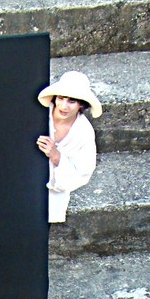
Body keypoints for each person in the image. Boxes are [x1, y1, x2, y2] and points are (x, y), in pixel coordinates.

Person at [35, 71, 101, 223]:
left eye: (71, 101)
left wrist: (56, 156)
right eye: (61, 98)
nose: (64, 106)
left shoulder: (83, 132)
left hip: (48, 199)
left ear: (80, 105)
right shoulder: (38, 115)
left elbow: (83, 173)